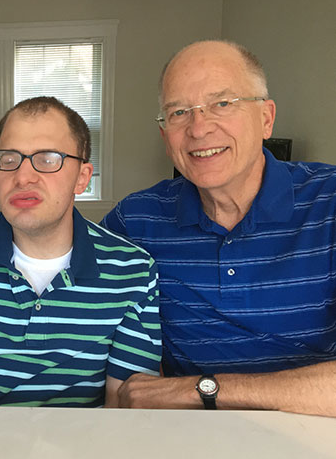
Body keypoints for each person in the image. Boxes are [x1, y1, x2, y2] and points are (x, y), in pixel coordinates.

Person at [101, 40, 336, 416]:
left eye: (222, 104)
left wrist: (203, 390)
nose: (198, 128)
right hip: (187, 445)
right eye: (178, 112)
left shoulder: (329, 202)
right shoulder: (138, 219)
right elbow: (65, 277)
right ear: (165, 136)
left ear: (266, 118)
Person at [0, 97, 161, 407]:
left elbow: (127, 410)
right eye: (9, 158)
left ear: (82, 177)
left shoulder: (133, 270)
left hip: (83, 451)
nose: (22, 176)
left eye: (48, 158)